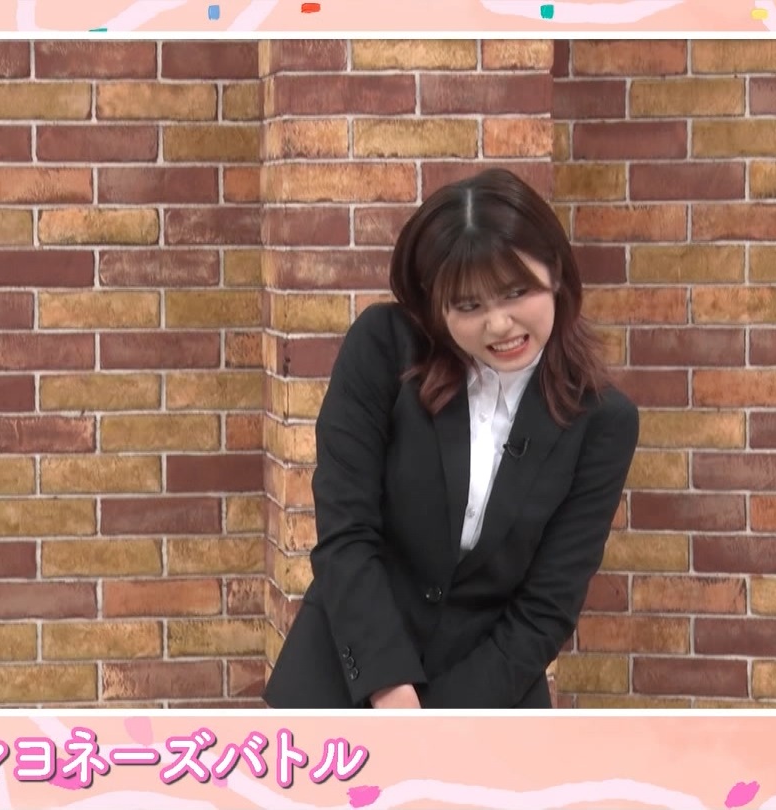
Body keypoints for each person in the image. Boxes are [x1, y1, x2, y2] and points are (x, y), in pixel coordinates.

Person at [262, 169, 640, 709]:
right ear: (435, 305)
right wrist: (389, 686)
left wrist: (439, 725)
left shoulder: (602, 420)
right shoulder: (383, 349)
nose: (499, 325)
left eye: (517, 292)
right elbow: (346, 533)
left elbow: (547, 607)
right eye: (469, 306)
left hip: (490, 698)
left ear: (556, 273)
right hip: (345, 677)